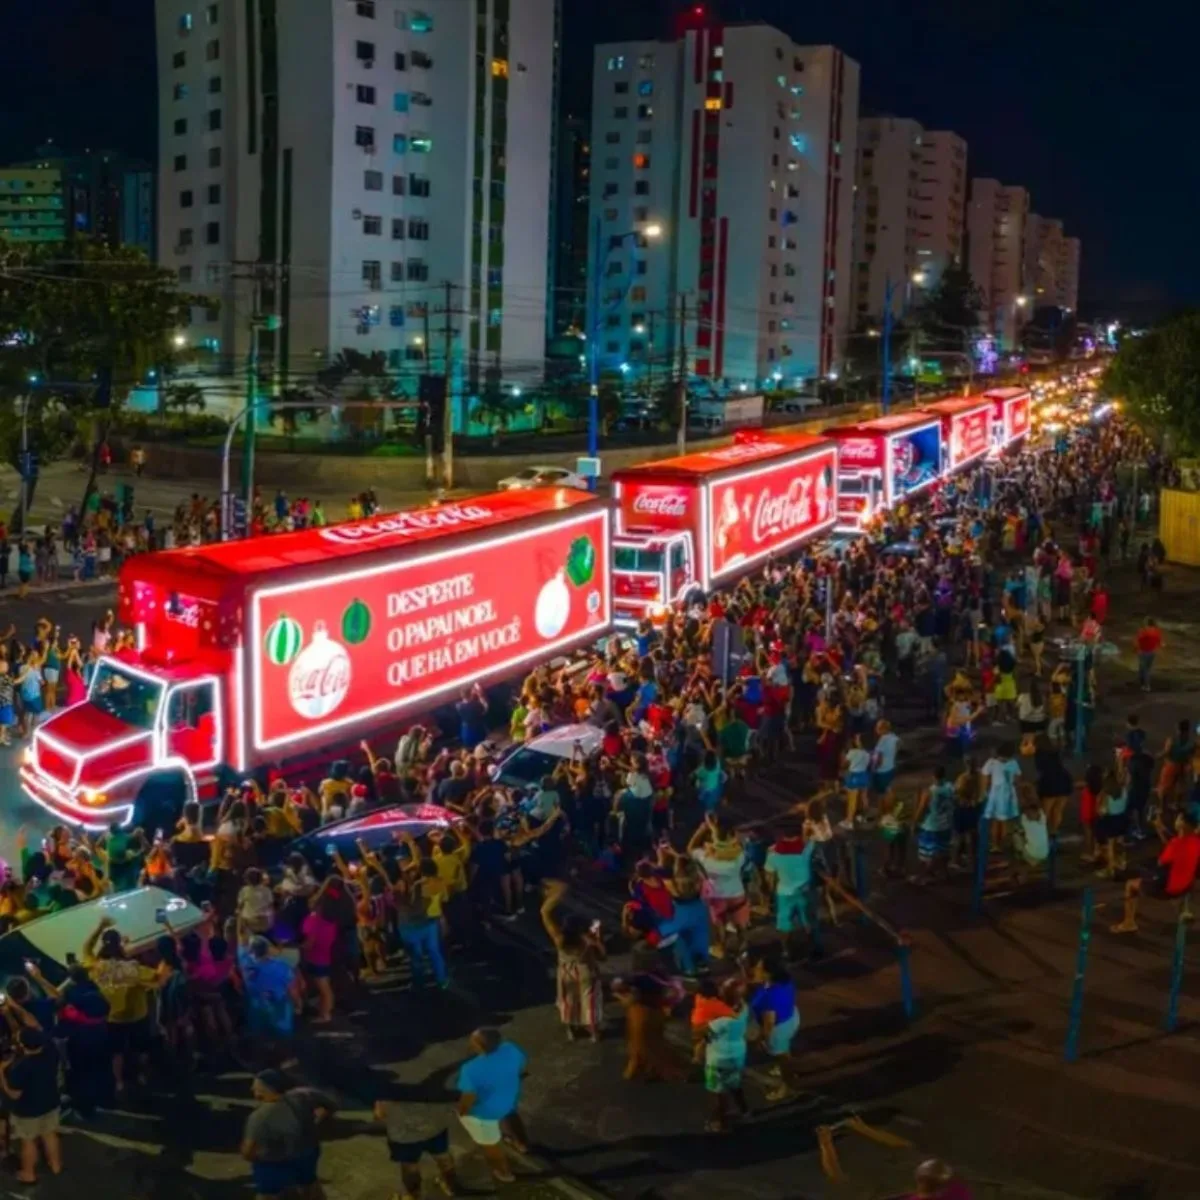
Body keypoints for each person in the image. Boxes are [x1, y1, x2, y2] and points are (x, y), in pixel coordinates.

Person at [241, 1069, 336, 1200]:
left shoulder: (259, 1117)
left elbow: (248, 1153)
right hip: (307, 1157)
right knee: (310, 1187)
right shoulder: (303, 1096)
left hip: (274, 1170)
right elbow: (330, 1104)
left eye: (256, 1087)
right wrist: (320, 1120)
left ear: (265, 1090)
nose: (252, 1089)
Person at [455, 1028, 527, 1185]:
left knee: (491, 1146)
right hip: (508, 1098)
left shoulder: (470, 1069)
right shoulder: (511, 1049)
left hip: (485, 1113)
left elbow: (468, 1099)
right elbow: (522, 1067)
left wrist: (461, 1112)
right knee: (511, 1115)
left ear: (479, 1046)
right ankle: (521, 1144)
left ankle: (504, 1172)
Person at [1113, 811, 1200, 934]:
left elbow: (1161, 861)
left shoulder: (1175, 843)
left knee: (1131, 884)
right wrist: (1160, 827)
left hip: (1170, 888)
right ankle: (1183, 909)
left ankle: (1129, 923)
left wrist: (1160, 829)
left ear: (1182, 825)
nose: (1176, 820)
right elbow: (1174, 843)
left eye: (1179, 819)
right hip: (1187, 886)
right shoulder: (1196, 841)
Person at [540, 880, 605, 1040]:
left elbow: (545, 915)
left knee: (568, 1001)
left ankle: (571, 1031)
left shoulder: (559, 938)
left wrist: (552, 899)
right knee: (589, 1001)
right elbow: (603, 956)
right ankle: (593, 1033)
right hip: (585, 971)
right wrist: (597, 938)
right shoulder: (587, 941)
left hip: (566, 972)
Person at [0, 1025, 63, 1185]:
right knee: (50, 1135)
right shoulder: (51, 1052)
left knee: (28, 1142)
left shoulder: (21, 1068)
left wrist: (1, 1074)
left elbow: (14, 1094)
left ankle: (28, 1174)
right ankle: (56, 1165)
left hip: (28, 1111)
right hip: (50, 1103)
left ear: (22, 1045)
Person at [373, 1093, 458, 1200]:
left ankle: (413, 1195)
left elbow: (380, 1113)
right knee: (442, 1156)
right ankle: (451, 1185)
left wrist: (379, 1109)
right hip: (434, 1125)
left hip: (405, 1132)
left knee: (410, 1166)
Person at [699, 977, 751, 1133]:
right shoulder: (744, 1008)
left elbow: (706, 1036)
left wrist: (698, 1052)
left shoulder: (721, 1020)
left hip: (719, 1058)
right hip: (738, 1052)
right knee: (735, 1084)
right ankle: (745, 1111)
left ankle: (719, 1121)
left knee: (718, 1092)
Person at [981, 742, 1021, 839]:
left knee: (995, 821)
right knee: (1005, 821)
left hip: (995, 795)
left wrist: (984, 793)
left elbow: (985, 780)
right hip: (1009, 794)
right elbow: (1017, 781)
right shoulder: (1014, 763)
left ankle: (995, 845)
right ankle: (1004, 843)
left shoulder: (991, 762)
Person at [1134, 617, 1162, 692]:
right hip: (1152, 652)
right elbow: (1159, 642)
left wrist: (1137, 649)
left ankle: (1146, 685)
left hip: (1143, 652)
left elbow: (1137, 640)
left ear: (1147, 623)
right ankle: (1143, 683)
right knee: (1146, 668)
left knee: (1144, 669)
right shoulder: (1157, 631)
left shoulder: (1143, 631)